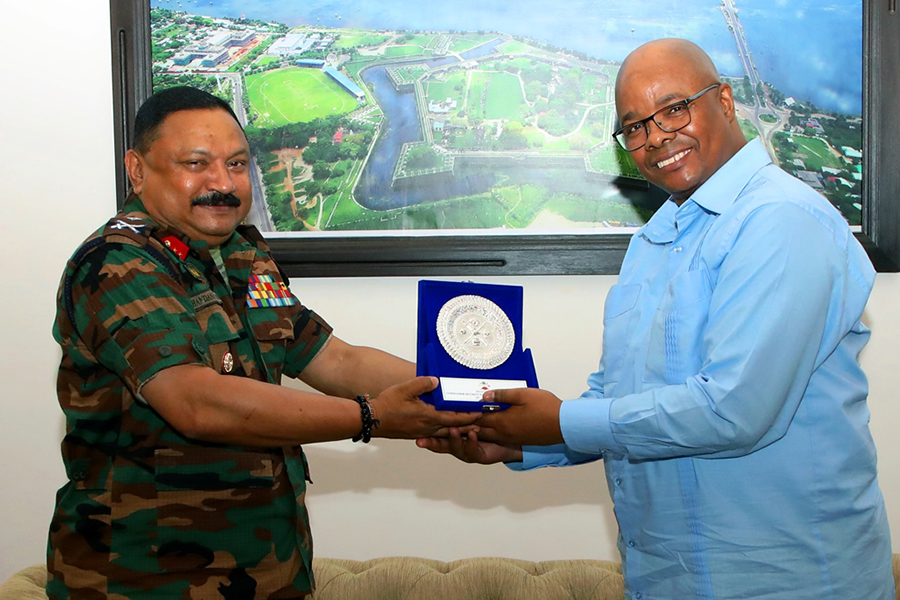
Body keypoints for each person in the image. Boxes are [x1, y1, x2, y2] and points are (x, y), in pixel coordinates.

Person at [419, 39, 894, 599]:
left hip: (787, 580)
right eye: (635, 127)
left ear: (724, 100)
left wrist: (560, 422)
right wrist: (517, 443)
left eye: (674, 108)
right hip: (666, 578)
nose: (656, 138)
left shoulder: (781, 219)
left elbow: (734, 410)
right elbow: (618, 395)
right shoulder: (652, 242)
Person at [47, 86, 477, 599]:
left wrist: (470, 393)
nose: (222, 184)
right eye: (196, 163)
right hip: (146, 580)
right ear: (137, 170)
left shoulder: (240, 257)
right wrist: (371, 417)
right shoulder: (118, 264)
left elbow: (332, 358)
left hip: (266, 573)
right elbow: (195, 401)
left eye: (236, 164)